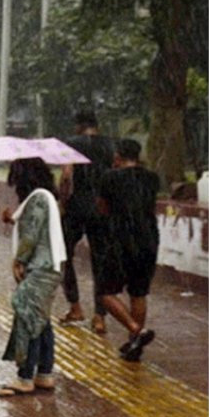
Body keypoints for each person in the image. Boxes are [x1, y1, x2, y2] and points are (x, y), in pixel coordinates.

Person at [0, 158, 66, 397]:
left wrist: (19, 260)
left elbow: (32, 234)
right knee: (40, 320)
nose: (14, 186)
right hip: (47, 267)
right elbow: (31, 224)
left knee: (26, 315)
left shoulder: (38, 197)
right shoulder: (43, 197)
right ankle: (44, 373)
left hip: (41, 267)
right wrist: (12, 219)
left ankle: (25, 377)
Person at [96, 139, 159, 362]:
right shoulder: (152, 178)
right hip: (149, 239)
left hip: (122, 240)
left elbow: (103, 209)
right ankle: (135, 345)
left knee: (105, 292)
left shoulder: (109, 177)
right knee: (138, 293)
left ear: (118, 156)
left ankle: (136, 330)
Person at [58, 110, 116, 334]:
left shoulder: (71, 144)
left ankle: (75, 307)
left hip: (76, 206)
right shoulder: (109, 145)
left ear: (78, 126)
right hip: (101, 207)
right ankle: (100, 317)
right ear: (96, 125)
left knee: (64, 256)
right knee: (100, 262)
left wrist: (63, 201)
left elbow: (66, 176)